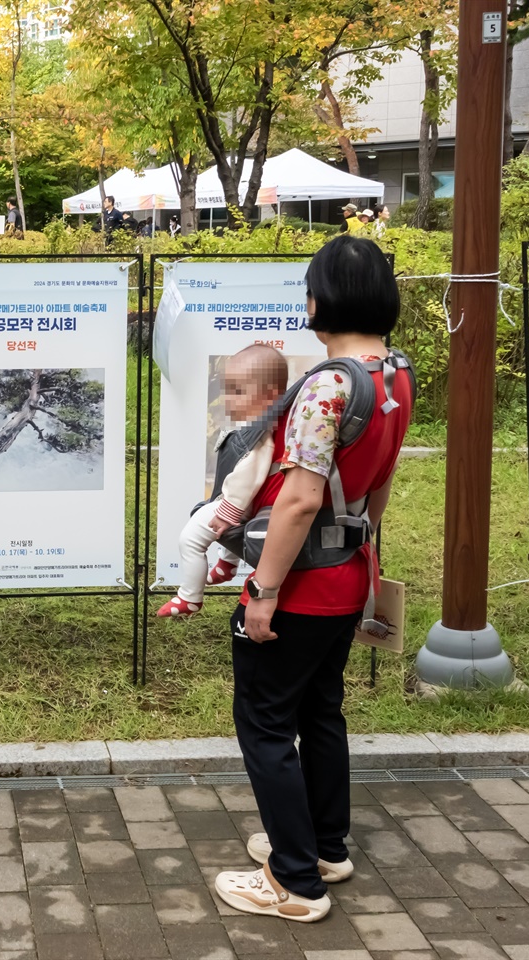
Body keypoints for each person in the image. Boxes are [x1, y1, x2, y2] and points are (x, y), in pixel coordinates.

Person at [213, 234, 413, 923]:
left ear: (322, 298)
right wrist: (367, 560)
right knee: (321, 711)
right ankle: (326, 847)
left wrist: (262, 593)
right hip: (350, 573)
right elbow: (376, 486)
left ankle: (295, 884)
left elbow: (298, 499)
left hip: (301, 585)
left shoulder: (329, 384)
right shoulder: (394, 376)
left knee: (265, 723)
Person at [157, 344, 288, 618]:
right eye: (227, 389)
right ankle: (227, 565)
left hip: (237, 504)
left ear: (269, 396)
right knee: (225, 531)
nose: (228, 399)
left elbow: (248, 475)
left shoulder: (259, 434)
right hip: (240, 503)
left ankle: (189, 597)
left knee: (190, 539)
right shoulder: (259, 425)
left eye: (238, 392)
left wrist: (229, 510)